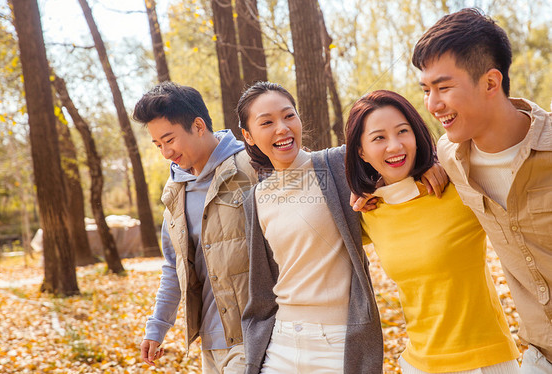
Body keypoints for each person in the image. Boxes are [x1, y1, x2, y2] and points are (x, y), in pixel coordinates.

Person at [236, 81, 448, 374]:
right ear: (248, 135)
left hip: (337, 343)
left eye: (288, 116)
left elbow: (394, 152)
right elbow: (262, 285)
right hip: (280, 343)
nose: (282, 128)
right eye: (267, 122)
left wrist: (430, 163)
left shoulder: (337, 165)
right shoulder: (256, 198)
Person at [412, 8, 552, 373]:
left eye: (443, 87)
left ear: (491, 83)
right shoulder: (450, 156)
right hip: (540, 355)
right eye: (426, 90)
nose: (432, 104)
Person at [345, 89, 520, 373]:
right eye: (379, 138)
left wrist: (442, 160)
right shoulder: (369, 212)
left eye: (403, 131)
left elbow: (497, 134)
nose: (395, 146)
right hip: (419, 364)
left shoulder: (456, 186)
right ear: (361, 152)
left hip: (487, 359)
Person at [132, 82, 258, 373]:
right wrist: (157, 326)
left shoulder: (251, 166)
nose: (165, 152)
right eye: (158, 144)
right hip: (209, 340)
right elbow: (174, 265)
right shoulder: (176, 191)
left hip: (254, 334)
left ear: (199, 126)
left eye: (169, 139)